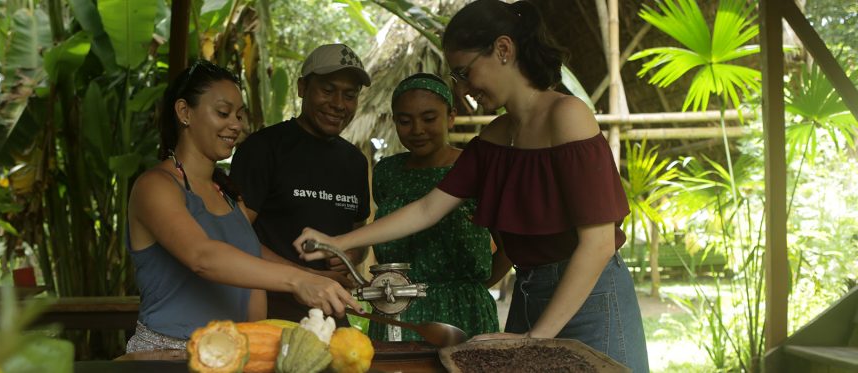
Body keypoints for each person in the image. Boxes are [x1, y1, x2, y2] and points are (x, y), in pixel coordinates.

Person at [293, 1, 649, 371]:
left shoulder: (568, 116)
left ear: (504, 50)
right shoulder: (496, 136)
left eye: (465, 72)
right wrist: (340, 242)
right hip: (531, 293)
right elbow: (428, 209)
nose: (463, 88)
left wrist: (536, 339)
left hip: (591, 295)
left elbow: (598, 243)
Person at [125, 60, 359, 353]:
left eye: (239, 115)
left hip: (233, 353)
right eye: (223, 113)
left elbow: (248, 257)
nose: (236, 125)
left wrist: (315, 279)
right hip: (167, 355)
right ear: (185, 112)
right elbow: (203, 256)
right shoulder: (156, 186)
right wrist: (297, 280)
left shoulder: (226, 193)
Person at [230, 44, 373, 323]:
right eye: (328, 90)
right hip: (268, 315)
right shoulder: (263, 148)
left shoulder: (355, 161)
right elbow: (234, 235)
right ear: (302, 87)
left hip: (332, 317)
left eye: (350, 95)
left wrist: (352, 252)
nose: (338, 104)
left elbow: (359, 234)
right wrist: (310, 277)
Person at [366, 73, 506, 341]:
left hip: (462, 313)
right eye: (405, 121)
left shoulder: (476, 168)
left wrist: (470, 290)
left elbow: (508, 247)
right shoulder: (387, 173)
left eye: (429, 119)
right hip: (396, 311)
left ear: (450, 116)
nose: (417, 129)